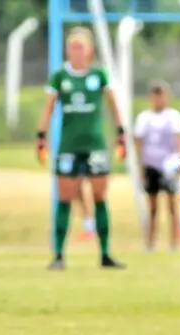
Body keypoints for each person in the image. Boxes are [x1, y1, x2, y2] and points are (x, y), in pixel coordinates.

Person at [37, 26, 127, 270]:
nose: (76, 52)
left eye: (81, 47)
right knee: (64, 198)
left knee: (99, 197)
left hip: (95, 146)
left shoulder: (99, 75)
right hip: (69, 146)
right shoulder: (60, 77)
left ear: (90, 50)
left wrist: (121, 133)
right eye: (72, 47)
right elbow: (49, 107)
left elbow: (112, 104)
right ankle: (58, 254)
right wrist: (41, 136)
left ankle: (105, 253)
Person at [134, 82, 180, 251]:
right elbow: (139, 144)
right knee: (152, 207)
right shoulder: (144, 118)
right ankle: (150, 242)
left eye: (161, 95)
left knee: (172, 206)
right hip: (152, 166)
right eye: (155, 95)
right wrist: (141, 167)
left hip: (169, 167)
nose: (158, 99)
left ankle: (174, 242)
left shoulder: (173, 116)